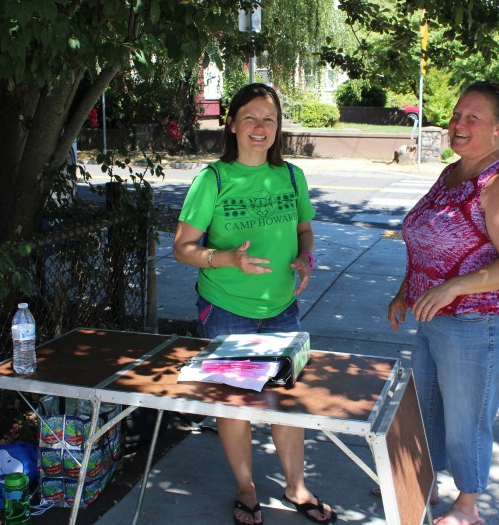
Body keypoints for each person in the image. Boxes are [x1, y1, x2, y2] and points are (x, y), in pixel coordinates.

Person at [173, 83, 336, 525]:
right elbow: (183, 248)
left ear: (279, 126)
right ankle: (246, 487)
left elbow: (304, 231)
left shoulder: (291, 176)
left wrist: (306, 258)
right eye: (250, 117)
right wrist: (227, 258)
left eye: (269, 118)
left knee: (286, 399)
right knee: (235, 405)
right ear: (232, 123)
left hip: (282, 308)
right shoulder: (214, 179)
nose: (259, 127)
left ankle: (296, 487)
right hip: (226, 309)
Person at [388, 82, 499, 525]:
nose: (458, 124)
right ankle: (427, 482)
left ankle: (467, 505)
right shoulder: (453, 172)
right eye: (456, 115)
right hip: (434, 313)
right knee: (427, 408)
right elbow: (428, 243)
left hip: (482, 321)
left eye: (473, 117)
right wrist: (405, 290)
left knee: (467, 417)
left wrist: (454, 288)